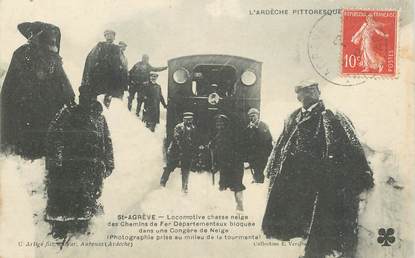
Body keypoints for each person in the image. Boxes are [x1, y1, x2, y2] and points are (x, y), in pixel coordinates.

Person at [262, 80, 374, 258]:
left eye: (314, 90)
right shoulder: (293, 116)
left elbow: (351, 144)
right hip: (296, 177)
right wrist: (272, 167)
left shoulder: (331, 115)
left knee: (320, 219)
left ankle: (318, 251)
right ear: (299, 96)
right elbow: (281, 145)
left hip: (320, 178)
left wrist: (363, 172)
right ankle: (303, 243)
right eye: (306, 91)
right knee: (296, 216)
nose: (312, 93)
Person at [45, 85, 114, 239]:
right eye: (84, 96)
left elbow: (106, 140)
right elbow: (53, 134)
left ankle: (81, 228)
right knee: (67, 196)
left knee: (87, 197)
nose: (87, 99)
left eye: (90, 97)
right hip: (70, 164)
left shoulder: (99, 117)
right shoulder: (68, 112)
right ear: (79, 96)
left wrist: (109, 162)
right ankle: (61, 229)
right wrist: (58, 156)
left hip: (92, 165)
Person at [0, 21, 75, 159]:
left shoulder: (53, 58)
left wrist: (69, 99)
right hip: (27, 112)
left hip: (45, 111)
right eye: (50, 37)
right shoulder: (23, 53)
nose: (53, 41)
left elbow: (64, 84)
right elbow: (10, 87)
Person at [81, 30, 127, 108]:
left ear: (114, 37)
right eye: (108, 35)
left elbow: (122, 65)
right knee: (97, 97)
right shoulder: (100, 45)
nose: (110, 36)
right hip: (100, 77)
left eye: (112, 35)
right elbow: (91, 60)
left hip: (112, 78)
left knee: (109, 100)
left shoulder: (117, 49)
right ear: (105, 36)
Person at [210, 114, 245, 212]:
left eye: (221, 123)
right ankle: (228, 207)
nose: (219, 125)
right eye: (217, 123)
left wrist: (217, 164)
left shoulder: (229, 135)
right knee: (226, 185)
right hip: (227, 165)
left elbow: (224, 152)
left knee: (236, 186)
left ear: (225, 124)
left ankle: (239, 206)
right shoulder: (219, 135)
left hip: (234, 165)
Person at [160, 112, 197, 193]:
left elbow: (193, 140)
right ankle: (162, 183)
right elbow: (178, 139)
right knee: (169, 167)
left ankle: (184, 188)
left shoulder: (193, 128)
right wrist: (185, 148)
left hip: (186, 153)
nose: (189, 121)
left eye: (190, 119)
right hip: (175, 151)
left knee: (186, 170)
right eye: (187, 119)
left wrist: (191, 149)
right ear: (184, 119)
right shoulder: (179, 127)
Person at [244, 108, 273, 183]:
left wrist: (268, 151)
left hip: (262, 151)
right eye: (250, 116)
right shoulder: (249, 126)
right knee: (254, 166)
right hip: (253, 152)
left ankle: (260, 180)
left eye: (253, 115)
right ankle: (256, 178)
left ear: (257, 115)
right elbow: (247, 139)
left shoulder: (263, 125)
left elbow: (267, 138)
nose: (251, 118)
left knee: (261, 166)